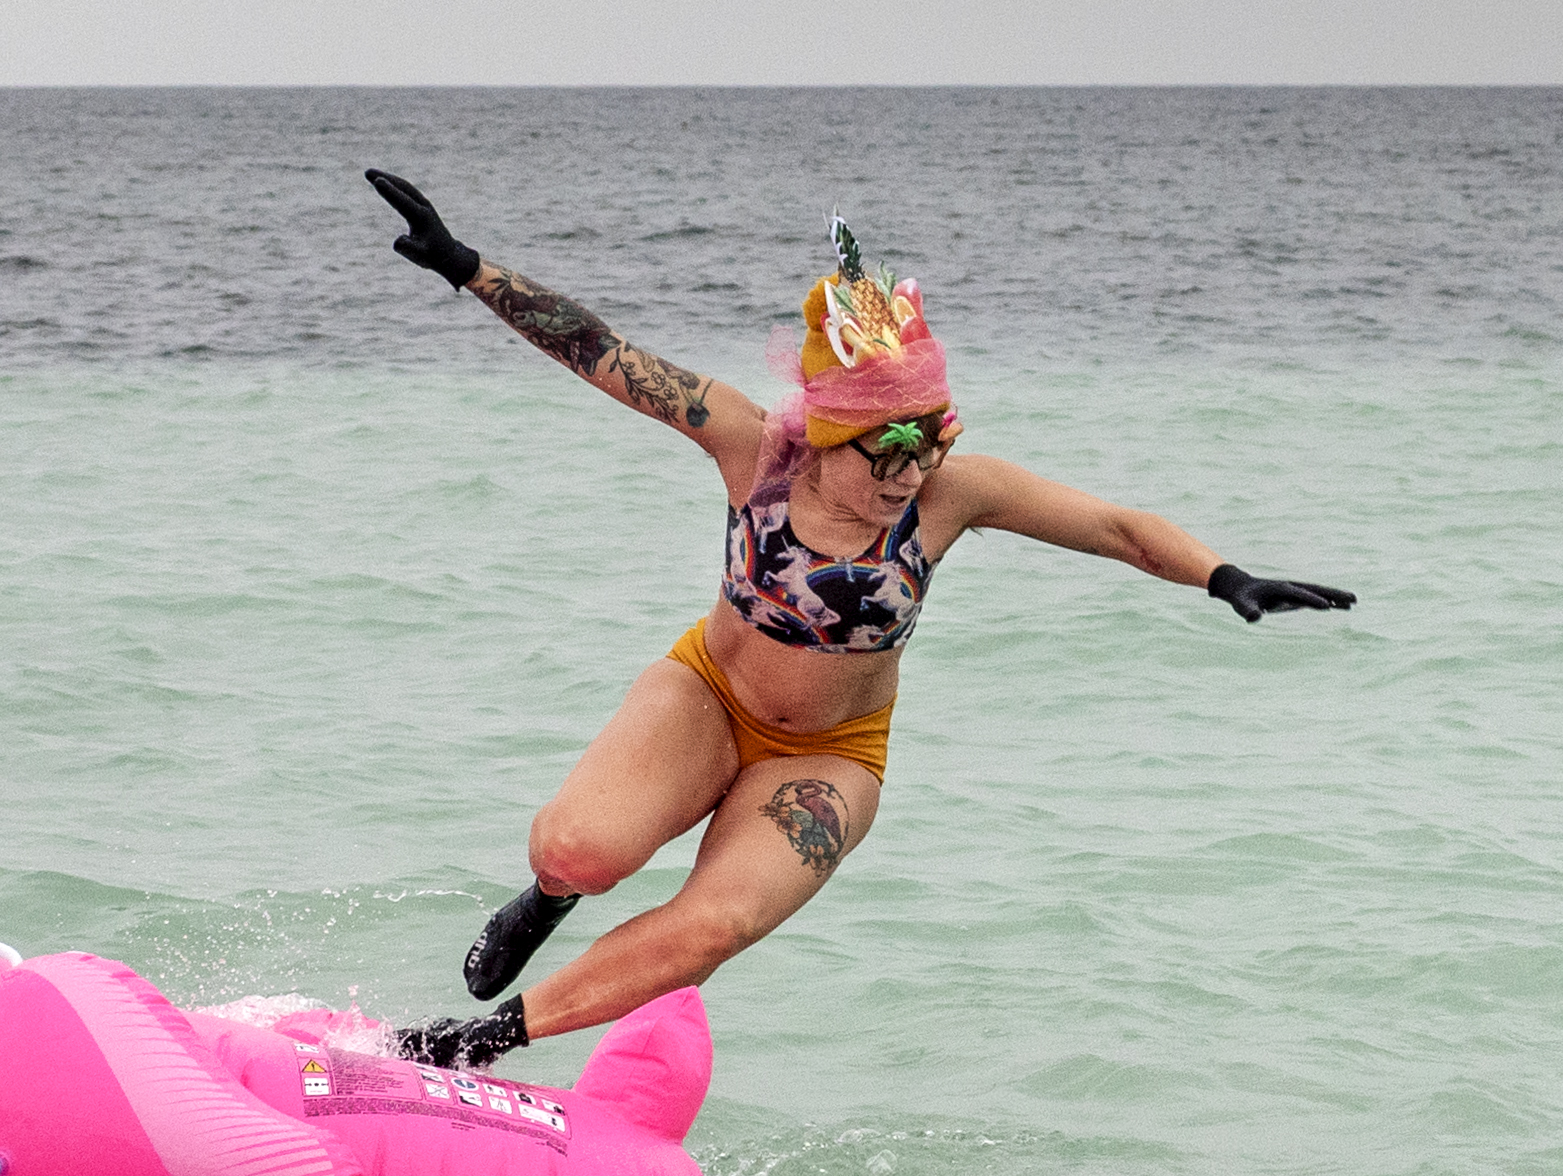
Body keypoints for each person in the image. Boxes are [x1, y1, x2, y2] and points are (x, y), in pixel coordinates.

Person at [362, 172, 1356, 1064]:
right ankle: (550, 897)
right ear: (825, 435)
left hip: (829, 755)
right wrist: (464, 266)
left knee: (712, 929)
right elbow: (602, 350)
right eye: (883, 455)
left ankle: (472, 1043)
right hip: (708, 692)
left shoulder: (950, 498)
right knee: (575, 848)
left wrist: (1224, 575)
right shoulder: (751, 448)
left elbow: (1114, 526)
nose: (908, 477)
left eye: (923, 451)